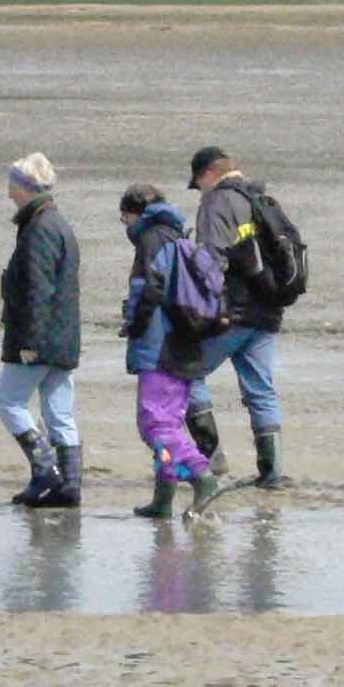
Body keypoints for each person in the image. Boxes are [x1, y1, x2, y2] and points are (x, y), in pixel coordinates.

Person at [185, 146, 288, 487]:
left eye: (198, 183)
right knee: (261, 389)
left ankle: (210, 455)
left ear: (209, 174)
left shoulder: (217, 203)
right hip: (268, 311)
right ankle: (272, 472)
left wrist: (201, 310)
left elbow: (210, 262)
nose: (199, 190)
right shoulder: (261, 198)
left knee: (187, 372)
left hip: (235, 313)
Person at [117, 184, 223, 520]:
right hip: (187, 342)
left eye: (124, 217)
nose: (124, 224)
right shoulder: (180, 237)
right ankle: (163, 497)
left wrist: (132, 323)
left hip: (160, 344)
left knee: (156, 425)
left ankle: (201, 477)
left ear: (135, 213)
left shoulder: (152, 240)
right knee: (168, 423)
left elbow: (146, 288)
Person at [0, 153, 83, 507]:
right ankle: (70, 485)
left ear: (27, 188)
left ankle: (46, 471)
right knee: (58, 411)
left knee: (8, 401)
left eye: (13, 185)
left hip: (43, 337)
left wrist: (30, 341)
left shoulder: (42, 227)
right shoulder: (53, 222)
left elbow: (39, 287)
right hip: (62, 337)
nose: (9, 192)